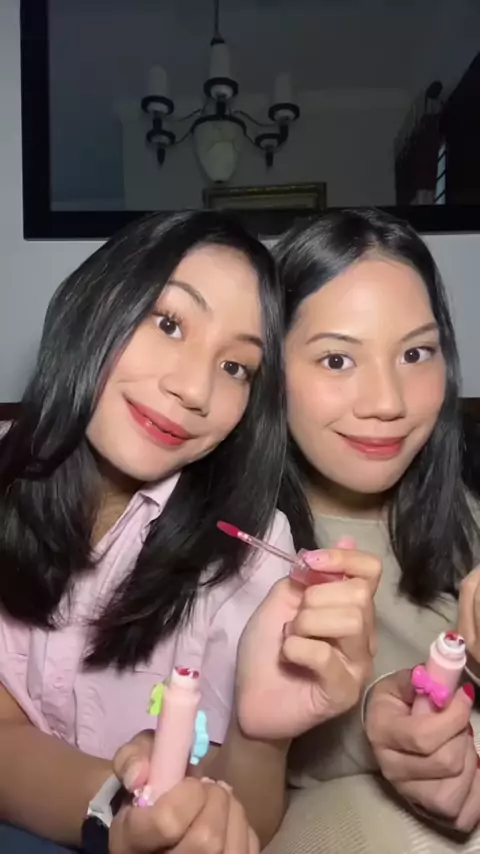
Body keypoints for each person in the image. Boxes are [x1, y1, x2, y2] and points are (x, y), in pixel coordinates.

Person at [0, 211, 377, 854]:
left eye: (236, 367)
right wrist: (113, 806)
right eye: (169, 323)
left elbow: (239, 820)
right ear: (93, 308)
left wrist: (261, 740)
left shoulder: (253, 559)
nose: (195, 388)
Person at [262, 208, 480, 854]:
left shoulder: (463, 514)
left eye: (415, 353)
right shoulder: (232, 543)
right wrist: (374, 726)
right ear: (269, 368)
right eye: (337, 360)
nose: (387, 402)